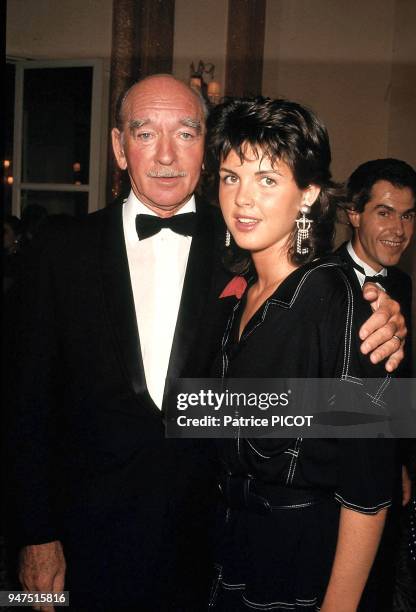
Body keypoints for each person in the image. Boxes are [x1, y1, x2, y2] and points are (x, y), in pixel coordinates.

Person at [6, 76, 406, 612]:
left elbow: (364, 467)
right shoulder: (59, 249)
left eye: (187, 133)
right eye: (146, 133)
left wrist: (379, 312)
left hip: (207, 554)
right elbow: (25, 403)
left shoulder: (242, 243)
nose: (167, 155)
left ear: (203, 146)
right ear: (119, 148)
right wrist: (36, 534)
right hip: (86, 544)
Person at [205, 96, 401, 611]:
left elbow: (370, 490)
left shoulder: (337, 301)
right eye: (231, 177)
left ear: (309, 193)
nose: (243, 199)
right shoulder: (238, 294)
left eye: (267, 180)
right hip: (230, 556)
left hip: (300, 576)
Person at [337, 158, 416, 611]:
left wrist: (399, 460)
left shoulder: (404, 285)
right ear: (354, 213)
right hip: (328, 479)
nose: (399, 229)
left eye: (407, 215)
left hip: (384, 474)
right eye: (385, 212)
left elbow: (401, 383)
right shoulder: (319, 282)